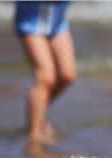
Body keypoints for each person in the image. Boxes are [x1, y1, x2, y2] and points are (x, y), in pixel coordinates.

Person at [14, 1, 76, 144]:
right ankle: (34, 136)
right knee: (45, 77)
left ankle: (37, 116)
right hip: (31, 21)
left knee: (68, 75)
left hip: (57, 21)